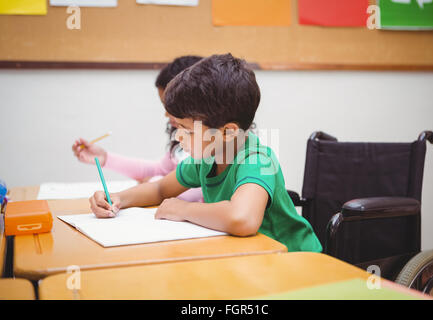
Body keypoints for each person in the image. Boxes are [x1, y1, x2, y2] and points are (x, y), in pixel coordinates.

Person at [89, 53, 322, 253]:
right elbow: (160, 188)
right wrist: (117, 198)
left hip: (296, 262)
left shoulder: (258, 159)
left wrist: (184, 209)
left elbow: (243, 219)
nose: (177, 137)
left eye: (186, 130)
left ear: (228, 132)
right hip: (249, 258)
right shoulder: (209, 156)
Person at [72, 55, 204, 202]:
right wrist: (106, 159)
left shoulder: (212, 150)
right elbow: (161, 174)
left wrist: (154, 182)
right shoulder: (187, 144)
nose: (166, 113)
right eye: (164, 105)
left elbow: (195, 191)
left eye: (171, 106)